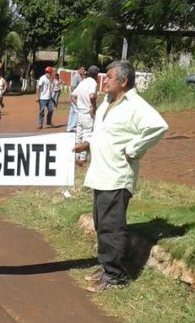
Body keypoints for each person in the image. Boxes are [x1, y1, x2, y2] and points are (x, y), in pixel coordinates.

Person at [74, 61, 168, 292]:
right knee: (102, 224)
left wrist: (133, 149)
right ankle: (107, 267)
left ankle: (114, 277)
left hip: (117, 175)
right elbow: (103, 133)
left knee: (111, 228)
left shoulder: (135, 105)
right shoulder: (107, 102)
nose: (104, 80)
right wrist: (87, 144)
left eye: (109, 76)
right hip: (101, 173)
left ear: (123, 81)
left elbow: (158, 127)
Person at [70, 65, 100, 166]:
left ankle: (75, 157)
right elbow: (92, 96)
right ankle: (82, 159)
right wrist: (94, 107)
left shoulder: (83, 82)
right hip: (87, 113)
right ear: (96, 75)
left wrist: (78, 106)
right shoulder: (93, 83)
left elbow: (72, 96)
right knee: (87, 136)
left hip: (80, 113)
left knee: (78, 136)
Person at [66, 66, 86, 132]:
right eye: (82, 69)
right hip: (74, 97)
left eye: (84, 69)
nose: (83, 70)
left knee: (72, 112)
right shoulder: (76, 76)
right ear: (78, 69)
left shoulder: (79, 76)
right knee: (77, 111)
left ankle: (70, 127)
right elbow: (72, 87)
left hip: (74, 97)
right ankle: (73, 126)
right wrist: (74, 96)